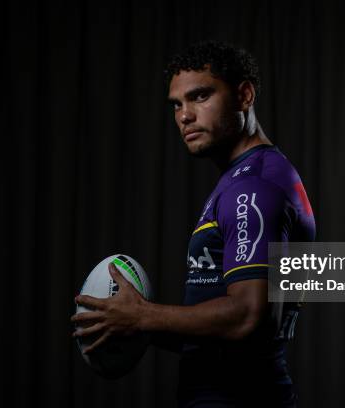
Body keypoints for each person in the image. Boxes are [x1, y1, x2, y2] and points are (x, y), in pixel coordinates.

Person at [71, 41, 316, 407]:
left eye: (200, 96)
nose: (185, 115)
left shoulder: (253, 185)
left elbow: (248, 316)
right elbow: (228, 334)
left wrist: (144, 316)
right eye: (177, 104)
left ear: (244, 95)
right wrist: (131, 321)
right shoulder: (248, 178)